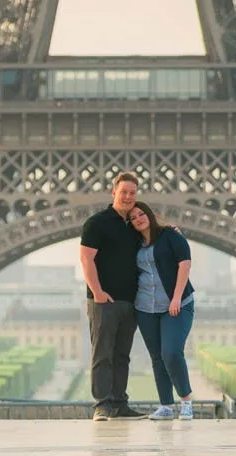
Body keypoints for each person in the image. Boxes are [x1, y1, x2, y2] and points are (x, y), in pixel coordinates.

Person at [79, 168, 145, 419]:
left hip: (129, 301)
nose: (128, 197)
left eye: (132, 193)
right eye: (124, 192)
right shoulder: (97, 223)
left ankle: (119, 403)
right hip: (103, 300)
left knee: (121, 355)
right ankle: (103, 405)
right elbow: (86, 259)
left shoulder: (134, 226)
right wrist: (97, 292)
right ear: (113, 192)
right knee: (103, 353)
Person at [129, 201, 196, 419]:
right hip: (145, 307)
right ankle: (166, 406)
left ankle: (186, 402)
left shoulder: (170, 235)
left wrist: (176, 297)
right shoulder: (133, 243)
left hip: (175, 304)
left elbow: (184, 264)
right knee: (157, 357)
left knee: (171, 353)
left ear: (149, 214)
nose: (138, 218)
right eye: (133, 218)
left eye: (141, 214)